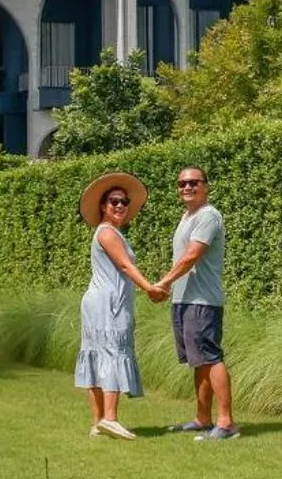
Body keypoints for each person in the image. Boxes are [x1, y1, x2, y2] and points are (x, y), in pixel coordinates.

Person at [74, 172, 166, 440]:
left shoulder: (107, 232)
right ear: (103, 206)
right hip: (108, 303)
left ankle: (98, 422)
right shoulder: (107, 233)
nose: (119, 206)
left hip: (99, 301)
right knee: (111, 353)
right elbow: (126, 265)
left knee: (96, 355)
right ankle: (110, 419)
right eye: (113, 201)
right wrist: (149, 287)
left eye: (124, 202)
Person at [155, 166, 236, 440]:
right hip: (184, 300)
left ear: (206, 186)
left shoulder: (208, 216)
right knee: (198, 361)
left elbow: (192, 256)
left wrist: (163, 282)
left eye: (193, 183)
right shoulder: (187, 217)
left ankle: (226, 423)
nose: (187, 187)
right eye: (181, 184)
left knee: (211, 358)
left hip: (202, 301)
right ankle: (203, 418)